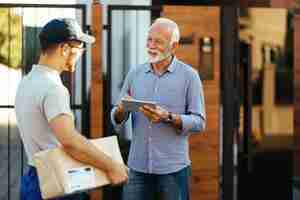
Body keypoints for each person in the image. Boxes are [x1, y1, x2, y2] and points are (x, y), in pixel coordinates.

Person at [15, 18, 128, 200]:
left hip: (33, 178)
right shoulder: (53, 88)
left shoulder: (26, 82)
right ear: (65, 49)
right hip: (56, 183)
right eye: (80, 48)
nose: (81, 53)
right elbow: (70, 141)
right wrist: (112, 166)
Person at [111, 18, 206, 200]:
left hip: (173, 170)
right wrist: (122, 109)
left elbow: (199, 122)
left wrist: (168, 117)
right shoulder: (135, 74)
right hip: (137, 168)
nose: (151, 46)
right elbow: (116, 117)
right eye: (149, 40)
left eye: (158, 41)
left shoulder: (190, 76)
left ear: (174, 46)